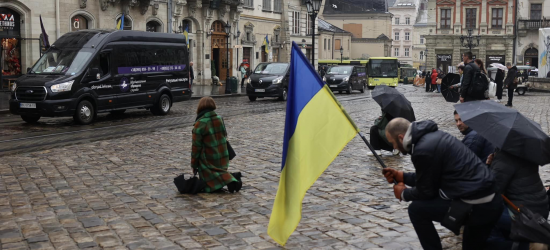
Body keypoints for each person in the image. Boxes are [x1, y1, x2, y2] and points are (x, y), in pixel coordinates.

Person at [382, 118, 502, 250]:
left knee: (416, 209)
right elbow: (430, 177)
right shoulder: (432, 137)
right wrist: (402, 176)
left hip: (477, 204)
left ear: (400, 137)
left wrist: (403, 193)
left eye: (392, 143)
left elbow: (426, 191)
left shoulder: (422, 149)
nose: (393, 147)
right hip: (488, 198)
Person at [484, 149, 549, 249]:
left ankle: (528, 247)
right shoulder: (526, 153)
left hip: (524, 215)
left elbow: (491, 189)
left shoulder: (504, 157)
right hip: (539, 210)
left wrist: (490, 166)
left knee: (483, 219)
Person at [192, 97, 242, 193]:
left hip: (209, 157)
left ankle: (232, 179)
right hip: (223, 156)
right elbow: (224, 136)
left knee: (208, 182)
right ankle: (229, 179)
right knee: (217, 171)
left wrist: (194, 164)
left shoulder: (200, 123)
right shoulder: (219, 119)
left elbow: (196, 147)